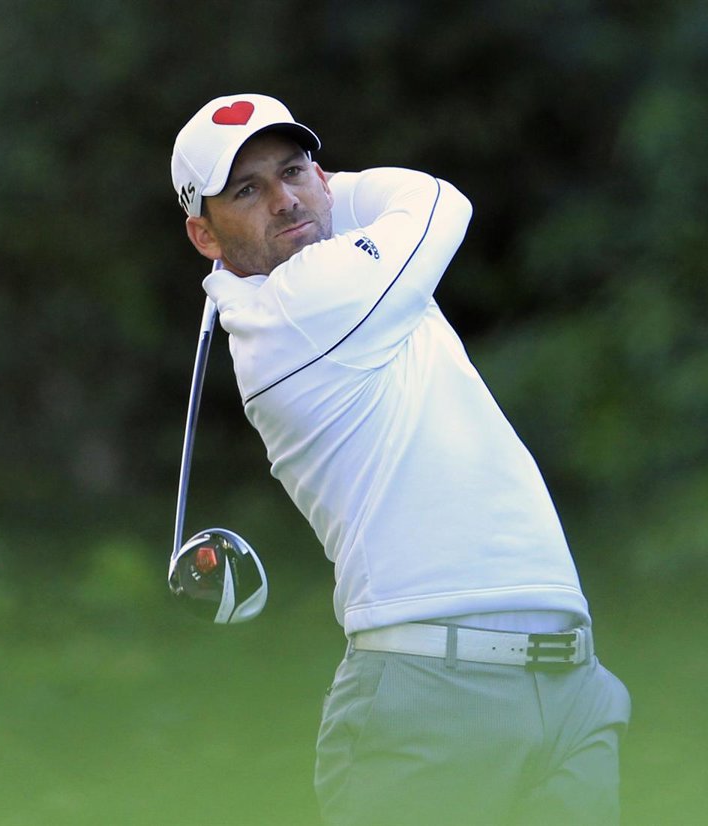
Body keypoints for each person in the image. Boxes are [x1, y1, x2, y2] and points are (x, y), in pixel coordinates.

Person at [171, 93, 631, 826]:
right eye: (247, 191)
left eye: (293, 171)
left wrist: (317, 194)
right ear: (205, 235)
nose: (284, 200)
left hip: (571, 682)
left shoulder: (362, 280)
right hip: (432, 696)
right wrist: (330, 190)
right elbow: (438, 200)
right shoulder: (297, 308)